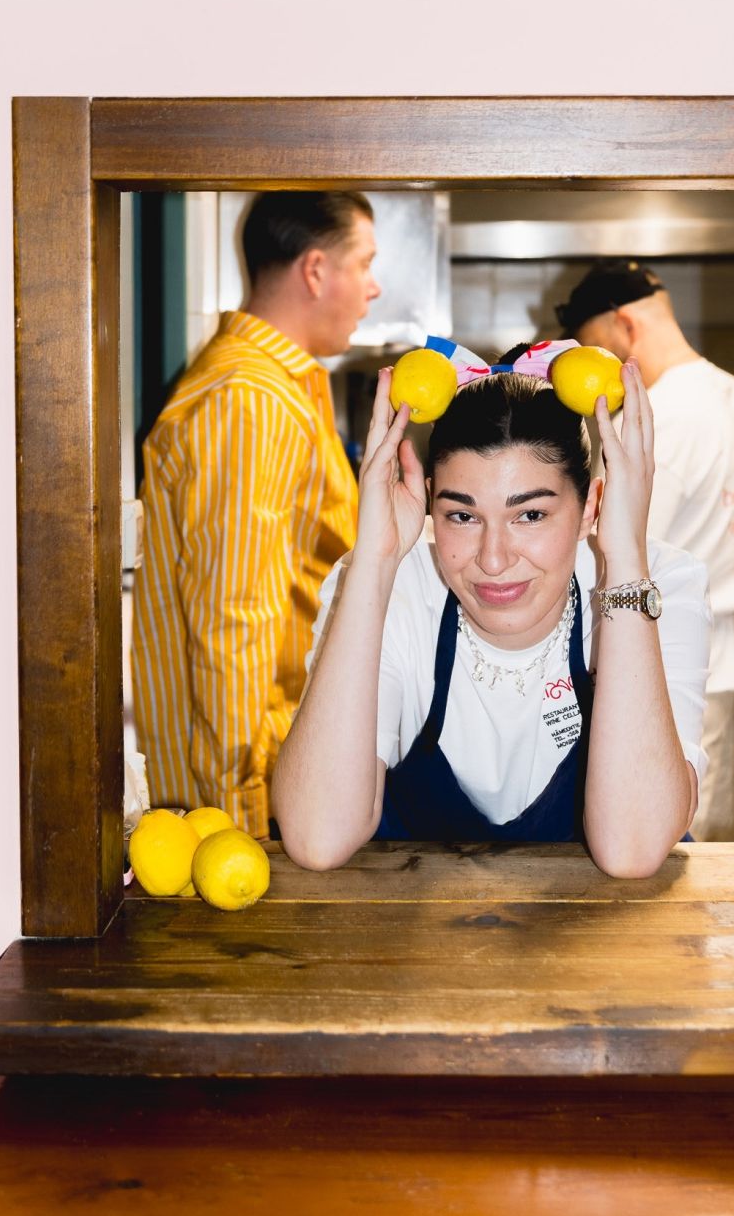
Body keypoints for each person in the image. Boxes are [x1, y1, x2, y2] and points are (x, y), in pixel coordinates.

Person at [272, 342, 710, 876]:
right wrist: (374, 563)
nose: (493, 559)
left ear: (591, 506)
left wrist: (624, 561)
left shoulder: (657, 584)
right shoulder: (396, 584)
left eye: (530, 515)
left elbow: (632, 849)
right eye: (462, 516)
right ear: (428, 504)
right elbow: (317, 837)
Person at [131, 191, 380, 838]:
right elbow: (233, 617)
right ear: (316, 270)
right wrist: (243, 816)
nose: (373, 288)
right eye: (365, 264)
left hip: (277, 770)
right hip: (252, 793)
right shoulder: (251, 399)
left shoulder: (270, 387)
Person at [554, 261, 734, 841]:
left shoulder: (657, 419)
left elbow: (613, 549)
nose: (594, 370)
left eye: (594, 348)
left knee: (674, 829)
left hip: (675, 650)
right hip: (731, 646)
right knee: (706, 814)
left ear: (624, 326)